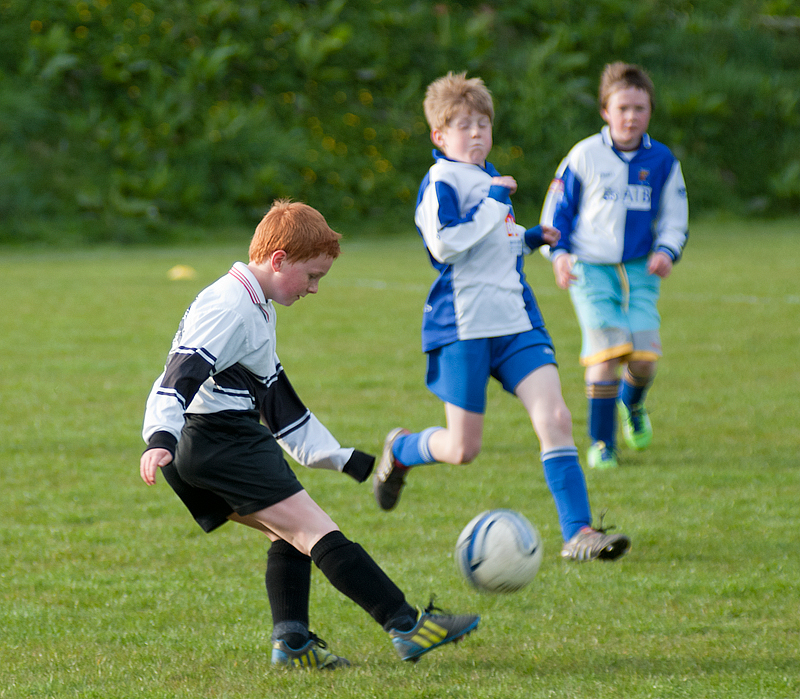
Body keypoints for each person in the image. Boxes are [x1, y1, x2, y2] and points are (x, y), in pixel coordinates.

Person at [140, 199, 479, 669]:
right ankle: (407, 626)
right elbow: (181, 371)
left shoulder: (253, 304)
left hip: (201, 448)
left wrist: (340, 457)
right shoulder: (231, 306)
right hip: (221, 440)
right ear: (278, 260)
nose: (315, 289)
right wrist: (160, 436)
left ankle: (292, 643)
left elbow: (278, 401)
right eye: (313, 276)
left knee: (289, 534)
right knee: (316, 531)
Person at [372, 72, 630, 563]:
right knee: (462, 448)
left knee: (555, 417)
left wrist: (530, 238)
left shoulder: (492, 180)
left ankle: (578, 534)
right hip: (463, 327)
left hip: (515, 322)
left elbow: (497, 243)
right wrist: (494, 203)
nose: (475, 134)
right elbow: (445, 245)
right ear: (439, 136)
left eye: (482, 125)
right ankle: (403, 450)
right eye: (463, 125)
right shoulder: (441, 182)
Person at [540, 62, 689, 469]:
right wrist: (560, 254)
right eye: (622, 108)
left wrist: (667, 249)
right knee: (606, 355)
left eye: (639, 108)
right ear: (606, 111)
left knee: (642, 358)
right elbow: (557, 212)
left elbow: (676, 215)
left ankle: (632, 405)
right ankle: (602, 443)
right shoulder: (584, 155)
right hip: (590, 269)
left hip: (641, 270)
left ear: (650, 112)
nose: (631, 117)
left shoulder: (662, 161)